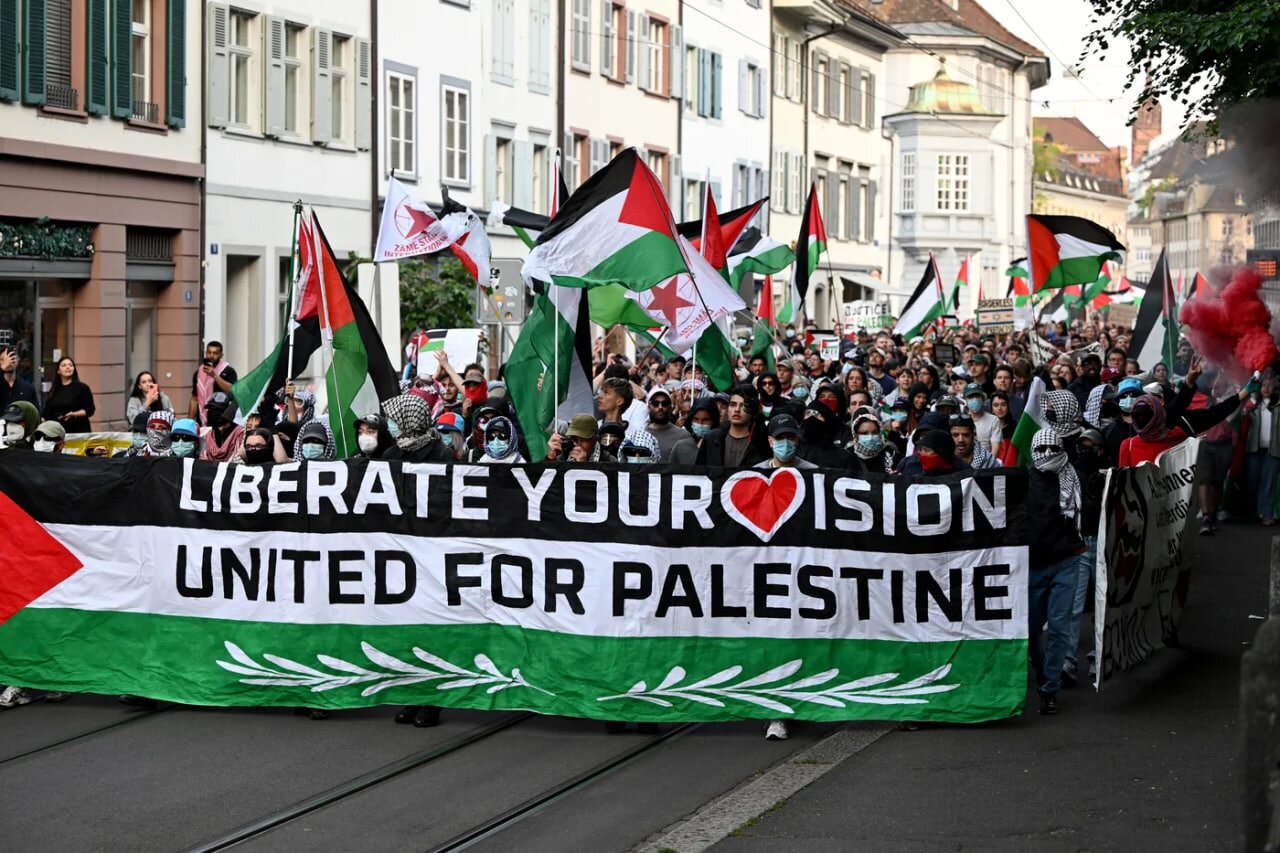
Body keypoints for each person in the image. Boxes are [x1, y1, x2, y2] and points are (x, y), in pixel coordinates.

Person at [1026, 426, 1086, 716]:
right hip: (1033, 564)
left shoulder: (1073, 476)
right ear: (1032, 451)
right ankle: (1042, 673)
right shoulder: (1023, 479)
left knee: (1060, 627)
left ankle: (1050, 689)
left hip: (1066, 560)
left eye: (1054, 448)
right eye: (1041, 449)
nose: (1048, 453)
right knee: (1031, 629)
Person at [696, 386, 770, 468]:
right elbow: (699, 472)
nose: (737, 409)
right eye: (733, 405)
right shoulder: (711, 439)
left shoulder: (762, 443)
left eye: (743, 405)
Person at [382, 393, 457, 462]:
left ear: (410, 421)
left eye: (393, 420)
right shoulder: (390, 455)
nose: (389, 426)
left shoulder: (443, 454)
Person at [1245, 377, 1280, 525]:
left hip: (1273, 449)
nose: (1266, 388)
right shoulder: (1253, 404)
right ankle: (1253, 513)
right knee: (1253, 481)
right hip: (1254, 448)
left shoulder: (1278, 405)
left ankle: (1267, 513)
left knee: (1269, 482)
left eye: (1269, 385)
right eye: (1263, 385)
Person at [42, 357, 95, 434]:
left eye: (70, 365)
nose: (68, 367)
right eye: (64, 365)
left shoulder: (82, 388)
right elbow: (46, 414)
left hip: (78, 433)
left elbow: (90, 410)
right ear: (58, 371)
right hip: (58, 433)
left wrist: (73, 414)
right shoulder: (55, 390)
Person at [189, 341, 237, 424]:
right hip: (202, 418)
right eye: (209, 352)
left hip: (222, 417)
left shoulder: (228, 371)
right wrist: (189, 421)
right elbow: (194, 399)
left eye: (215, 353)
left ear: (221, 355)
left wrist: (214, 375)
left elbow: (232, 389)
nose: (211, 356)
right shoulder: (199, 373)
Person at [669, 397, 719, 465]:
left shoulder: (720, 447)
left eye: (705, 420)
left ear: (713, 421)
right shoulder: (680, 447)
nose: (700, 424)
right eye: (696, 419)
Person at [847, 409, 897, 474]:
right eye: (864, 433)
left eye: (875, 432)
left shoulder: (890, 454)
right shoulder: (848, 455)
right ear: (856, 436)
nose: (870, 437)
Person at [201, 391, 245, 463]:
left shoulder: (240, 434)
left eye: (219, 410)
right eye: (212, 410)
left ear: (229, 410)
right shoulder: (206, 434)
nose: (214, 414)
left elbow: (239, 459)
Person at [643, 387, 684, 462]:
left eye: (664, 403)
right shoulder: (640, 435)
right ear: (649, 407)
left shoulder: (683, 436)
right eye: (655, 403)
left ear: (670, 407)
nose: (660, 407)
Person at [962, 383, 1002, 456]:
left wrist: (989, 462)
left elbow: (995, 449)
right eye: (971, 397)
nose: (974, 399)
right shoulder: (961, 420)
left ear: (983, 398)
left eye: (977, 396)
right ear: (965, 399)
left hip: (987, 461)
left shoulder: (993, 420)